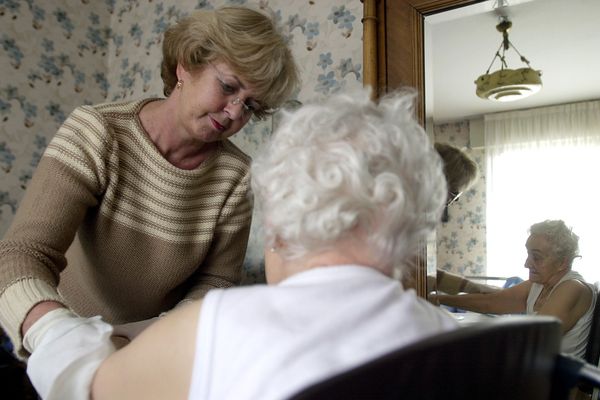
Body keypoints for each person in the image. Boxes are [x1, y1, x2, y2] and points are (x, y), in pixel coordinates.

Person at [24, 88, 459, 399]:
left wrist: (57, 330)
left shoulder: (217, 327)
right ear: (414, 228)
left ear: (277, 226)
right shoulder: (449, 336)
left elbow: (81, 384)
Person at [0, 5, 300, 360]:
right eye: (228, 86)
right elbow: (22, 255)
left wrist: (141, 340)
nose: (235, 112)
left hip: (150, 348)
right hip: (57, 333)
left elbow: (215, 284)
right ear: (185, 65)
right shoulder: (98, 133)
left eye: (250, 105)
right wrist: (58, 335)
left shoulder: (235, 177)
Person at [430, 219, 596, 358]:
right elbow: (493, 303)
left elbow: (534, 338)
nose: (526, 263)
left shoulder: (572, 288)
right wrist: (438, 298)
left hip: (558, 385)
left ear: (563, 263)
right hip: (537, 371)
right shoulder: (539, 283)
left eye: (536, 257)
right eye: (528, 254)